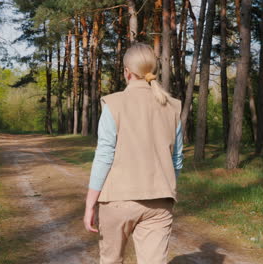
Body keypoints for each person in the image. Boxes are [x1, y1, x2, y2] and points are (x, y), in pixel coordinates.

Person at [83, 43, 183, 264]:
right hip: (160, 202)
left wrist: (90, 203)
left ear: (127, 71)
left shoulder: (113, 103)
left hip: (117, 201)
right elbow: (177, 159)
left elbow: (104, 156)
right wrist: (166, 187)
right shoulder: (173, 106)